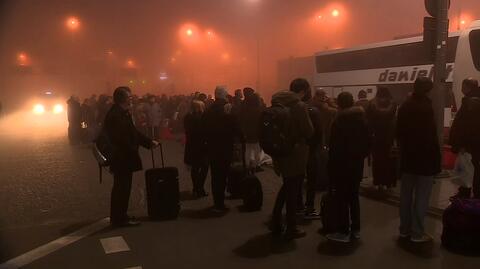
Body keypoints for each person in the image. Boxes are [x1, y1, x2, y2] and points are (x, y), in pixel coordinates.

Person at [104, 86, 159, 227]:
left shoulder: (122, 113)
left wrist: (148, 142)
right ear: (122, 99)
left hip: (124, 157)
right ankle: (119, 218)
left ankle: (121, 215)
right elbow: (122, 138)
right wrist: (134, 148)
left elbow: (133, 133)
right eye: (129, 97)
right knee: (121, 189)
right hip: (122, 158)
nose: (131, 99)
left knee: (124, 188)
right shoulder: (116, 115)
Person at [397, 77, 441, 243]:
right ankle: (417, 233)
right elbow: (431, 138)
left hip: (408, 159)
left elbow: (399, 133)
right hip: (425, 160)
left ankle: (404, 230)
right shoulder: (427, 108)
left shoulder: (405, 106)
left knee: (406, 196)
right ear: (428, 90)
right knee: (422, 197)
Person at [270, 78, 314, 240]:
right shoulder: (299, 106)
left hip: (281, 151)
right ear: (302, 91)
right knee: (293, 190)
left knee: (287, 186)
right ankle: (291, 226)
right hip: (295, 153)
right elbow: (309, 131)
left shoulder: (277, 103)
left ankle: (276, 220)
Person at [326, 92, 370, 243]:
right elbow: (368, 143)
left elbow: (334, 147)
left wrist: (331, 167)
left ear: (339, 103)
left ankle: (343, 231)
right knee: (353, 196)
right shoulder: (362, 119)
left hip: (341, 165)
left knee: (342, 198)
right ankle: (356, 229)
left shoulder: (339, 121)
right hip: (356, 164)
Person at [203, 86, 244, 213]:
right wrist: (242, 138)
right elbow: (235, 125)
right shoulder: (228, 109)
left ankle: (217, 202)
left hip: (212, 147)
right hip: (226, 147)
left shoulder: (208, 110)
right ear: (225, 95)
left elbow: (203, 128)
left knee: (215, 176)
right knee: (224, 174)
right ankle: (221, 203)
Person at [449, 78, 480, 199]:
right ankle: (473, 193)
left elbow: (465, 126)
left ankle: (466, 193)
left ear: (467, 87)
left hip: (469, 145)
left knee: (468, 168)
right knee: (474, 167)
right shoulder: (473, 100)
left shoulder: (471, 102)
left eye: (463, 86)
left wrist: (461, 144)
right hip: (475, 142)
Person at [366, 87, 398, 190]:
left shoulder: (371, 103)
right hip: (388, 136)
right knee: (388, 160)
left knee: (377, 160)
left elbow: (368, 121)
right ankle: (388, 182)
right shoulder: (393, 103)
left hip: (376, 136)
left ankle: (377, 182)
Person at [184, 100, 209, 198]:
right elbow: (203, 132)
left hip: (191, 145)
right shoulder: (200, 118)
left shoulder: (188, 117)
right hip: (201, 146)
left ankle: (196, 188)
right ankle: (200, 188)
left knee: (195, 168)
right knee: (204, 167)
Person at [239, 88, 264, 171]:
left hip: (247, 131)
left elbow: (241, 119)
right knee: (257, 149)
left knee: (248, 148)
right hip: (256, 131)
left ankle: (247, 165)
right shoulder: (259, 110)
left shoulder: (245, 107)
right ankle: (256, 165)